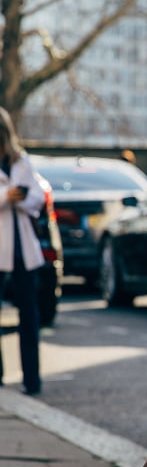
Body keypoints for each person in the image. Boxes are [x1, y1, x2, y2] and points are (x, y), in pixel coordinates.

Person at [0, 108, 44, 396]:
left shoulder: (21, 160)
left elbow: (39, 197)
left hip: (23, 251)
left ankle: (32, 379)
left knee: (29, 315)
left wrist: (24, 197)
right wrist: (7, 196)